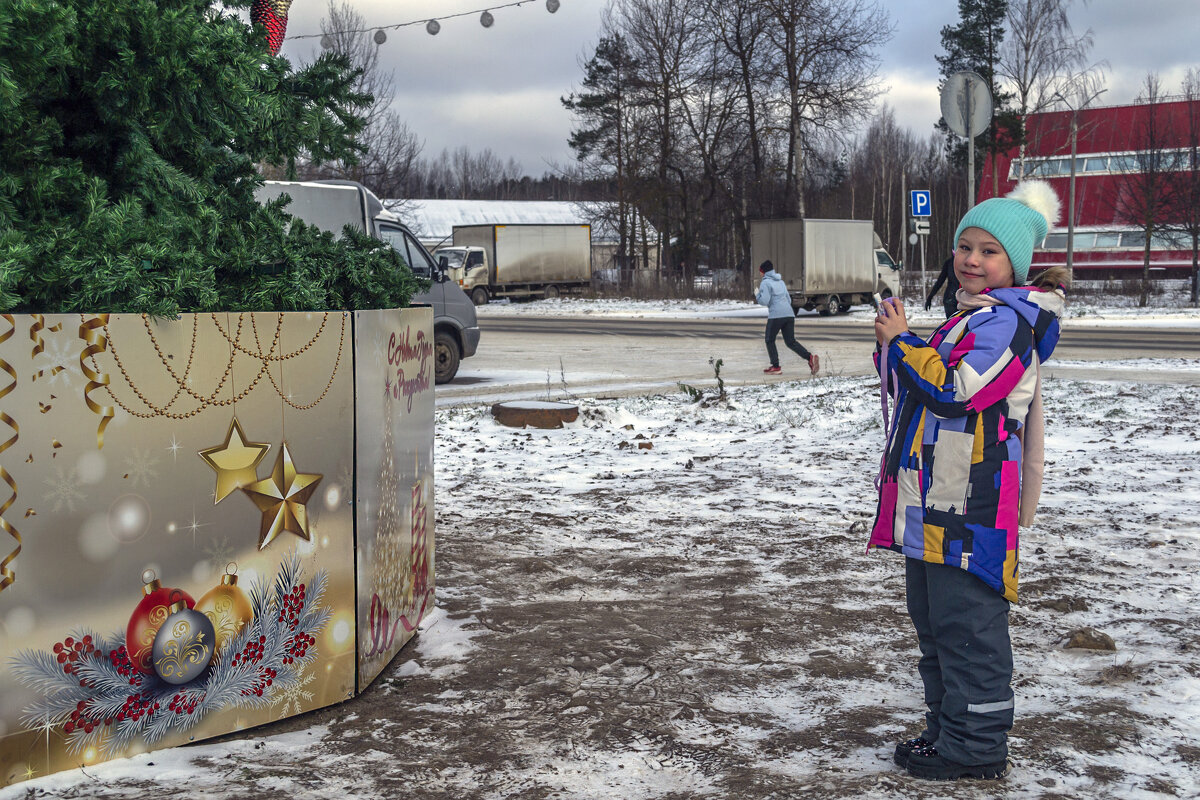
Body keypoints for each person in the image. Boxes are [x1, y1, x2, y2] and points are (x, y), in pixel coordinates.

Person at [868, 181, 1070, 781]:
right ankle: (946, 731)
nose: (972, 260)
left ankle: (977, 747)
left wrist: (903, 342)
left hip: (972, 504)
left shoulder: (1011, 324)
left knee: (969, 631)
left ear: (1016, 265)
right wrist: (894, 347)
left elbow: (959, 391)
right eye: (965, 247)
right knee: (936, 627)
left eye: (989, 251)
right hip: (933, 500)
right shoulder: (969, 318)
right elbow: (919, 383)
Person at [755, 260, 819, 375]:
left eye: (760, 271)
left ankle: (776, 367)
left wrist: (757, 294)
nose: (760, 274)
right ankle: (809, 358)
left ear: (764, 271)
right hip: (789, 314)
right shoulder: (781, 282)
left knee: (769, 339)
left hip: (776, 315)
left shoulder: (765, 283)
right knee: (790, 342)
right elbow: (789, 300)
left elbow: (764, 300)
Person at [925, 255, 960, 319]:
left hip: (957, 299)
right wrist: (930, 297)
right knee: (953, 325)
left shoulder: (967, 262)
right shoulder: (950, 263)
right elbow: (940, 281)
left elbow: (940, 281)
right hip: (951, 300)